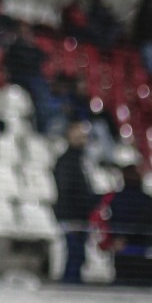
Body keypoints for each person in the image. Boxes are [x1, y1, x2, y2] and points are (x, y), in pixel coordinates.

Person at [52, 121, 100, 283]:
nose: (82, 140)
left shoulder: (82, 161)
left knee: (78, 256)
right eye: (78, 136)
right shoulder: (66, 161)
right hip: (72, 217)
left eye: (84, 136)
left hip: (80, 216)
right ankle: (69, 286)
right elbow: (68, 191)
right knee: (74, 255)